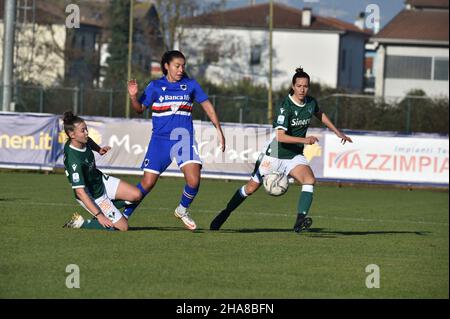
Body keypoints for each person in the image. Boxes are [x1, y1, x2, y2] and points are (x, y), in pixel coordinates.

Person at [210, 67, 353, 233]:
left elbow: (320, 114)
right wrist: (305, 140)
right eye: (299, 85)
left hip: (293, 155)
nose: (302, 89)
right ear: (293, 86)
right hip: (275, 153)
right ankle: (226, 212)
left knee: (309, 180)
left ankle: (300, 220)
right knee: (250, 189)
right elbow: (280, 137)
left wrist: (337, 132)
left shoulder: (310, 102)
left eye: (305, 86)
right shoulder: (285, 107)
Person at [125, 50, 226, 230]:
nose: (181, 69)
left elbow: (208, 107)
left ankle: (182, 209)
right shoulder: (155, 86)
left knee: (194, 181)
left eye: (183, 66)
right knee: (148, 183)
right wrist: (133, 96)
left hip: (183, 139)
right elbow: (139, 108)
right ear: (166, 66)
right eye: (177, 66)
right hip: (160, 140)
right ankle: (124, 214)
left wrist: (218, 129)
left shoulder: (191, 85)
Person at [62, 111, 141, 231]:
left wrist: (98, 149)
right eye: (83, 130)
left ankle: (106, 209)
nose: (86, 133)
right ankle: (82, 223)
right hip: (94, 195)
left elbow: (88, 141)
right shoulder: (74, 161)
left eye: (86, 129)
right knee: (123, 227)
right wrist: (99, 216)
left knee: (137, 195)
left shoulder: (80, 140)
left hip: (100, 180)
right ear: (72, 134)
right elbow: (80, 192)